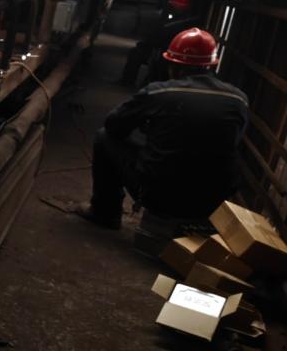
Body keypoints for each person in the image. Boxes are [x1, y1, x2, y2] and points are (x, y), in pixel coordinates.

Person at [79, 28, 249, 229]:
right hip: (212, 204)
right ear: (211, 65)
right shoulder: (239, 99)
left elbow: (113, 125)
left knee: (104, 138)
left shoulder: (159, 93)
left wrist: (148, 130)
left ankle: (105, 212)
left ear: (173, 66)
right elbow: (231, 142)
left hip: (160, 197)